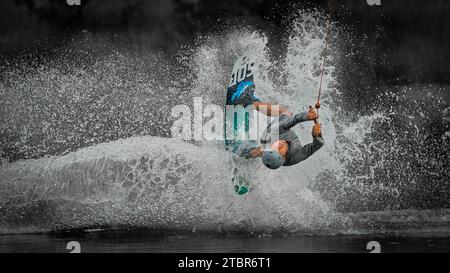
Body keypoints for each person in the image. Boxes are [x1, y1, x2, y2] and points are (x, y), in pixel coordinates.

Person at [233, 81, 324, 169]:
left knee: (283, 112)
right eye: (280, 151)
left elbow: (291, 121)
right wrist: (316, 135)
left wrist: (306, 116)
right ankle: (248, 153)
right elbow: (318, 145)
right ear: (284, 157)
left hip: (270, 135)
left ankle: (249, 101)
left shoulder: (273, 136)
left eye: (275, 148)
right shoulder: (296, 156)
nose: (279, 146)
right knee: (287, 114)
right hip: (275, 144)